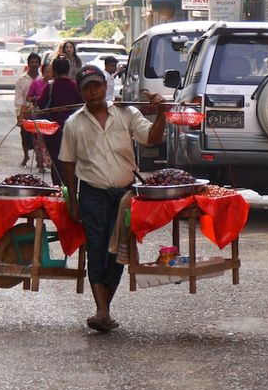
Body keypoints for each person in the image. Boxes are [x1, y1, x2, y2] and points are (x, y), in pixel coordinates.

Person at [59, 65, 167, 333]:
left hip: (124, 196)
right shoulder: (73, 124)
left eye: (97, 85)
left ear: (105, 86)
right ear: (81, 92)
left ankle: (104, 311)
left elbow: (152, 138)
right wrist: (73, 200)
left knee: (118, 252)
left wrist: (162, 113)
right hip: (92, 195)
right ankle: (102, 310)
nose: (94, 92)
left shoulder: (127, 113)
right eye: (87, 88)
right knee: (96, 249)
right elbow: (68, 164)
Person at [39, 57, 83, 185]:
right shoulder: (75, 86)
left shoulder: (50, 86)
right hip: (73, 131)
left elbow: (41, 103)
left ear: (54, 71)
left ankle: (58, 189)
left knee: (57, 163)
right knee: (72, 161)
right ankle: (72, 189)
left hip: (54, 132)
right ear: (68, 70)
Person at [24, 61, 54, 172]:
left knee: (50, 140)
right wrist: (37, 98)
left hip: (52, 115)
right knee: (38, 140)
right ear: (43, 72)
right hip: (38, 114)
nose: (49, 74)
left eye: (51, 71)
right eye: (47, 71)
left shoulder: (55, 84)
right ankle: (40, 164)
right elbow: (28, 97)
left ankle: (51, 162)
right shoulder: (36, 83)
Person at [14, 53, 42, 168]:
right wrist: (19, 114)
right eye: (32, 62)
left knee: (39, 137)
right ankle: (26, 156)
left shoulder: (43, 78)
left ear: (39, 64)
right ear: (28, 63)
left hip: (40, 111)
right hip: (25, 111)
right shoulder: (21, 79)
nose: (34, 64)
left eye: (36, 62)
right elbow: (18, 97)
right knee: (25, 136)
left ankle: (39, 159)